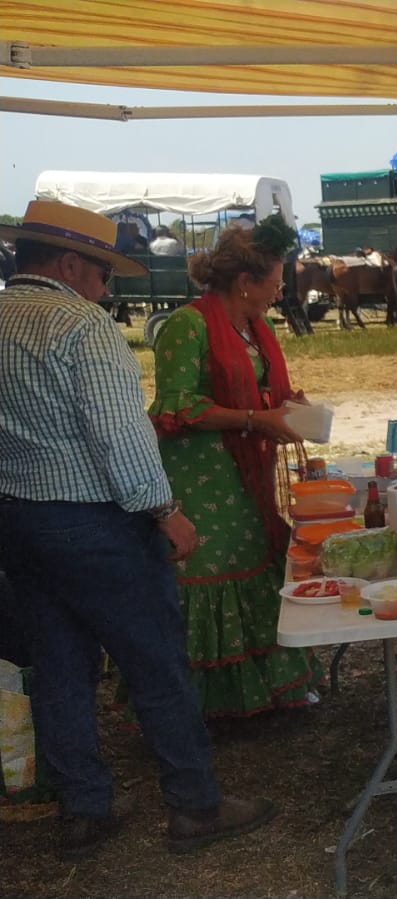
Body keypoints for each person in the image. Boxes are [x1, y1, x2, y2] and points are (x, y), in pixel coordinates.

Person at [0, 200, 275, 859]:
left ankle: (85, 806)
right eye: (101, 272)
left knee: (60, 666)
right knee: (155, 660)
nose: (105, 286)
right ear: (70, 264)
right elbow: (120, 435)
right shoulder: (80, 323)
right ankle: (194, 803)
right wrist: (163, 509)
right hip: (95, 519)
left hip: (18, 515)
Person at [148, 216, 320, 717]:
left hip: (248, 464)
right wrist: (256, 418)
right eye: (276, 280)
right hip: (202, 473)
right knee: (215, 570)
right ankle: (203, 706)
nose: (280, 289)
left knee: (256, 560)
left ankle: (267, 691)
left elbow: (260, 386)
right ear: (246, 283)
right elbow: (175, 406)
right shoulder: (188, 324)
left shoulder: (255, 326)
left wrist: (287, 404)